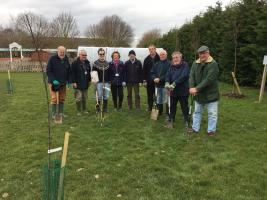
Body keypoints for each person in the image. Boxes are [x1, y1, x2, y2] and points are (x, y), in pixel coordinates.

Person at [189, 45, 220, 136]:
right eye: (200, 54)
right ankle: (195, 128)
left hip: (211, 94)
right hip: (199, 94)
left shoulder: (213, 64)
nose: (201, 55)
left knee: (212, 113)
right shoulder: (195, 63)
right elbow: (191, 76)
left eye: (203, 53)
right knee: (197, 112)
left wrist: (196, 88)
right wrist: (191, 87)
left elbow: (209, 79)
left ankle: (211, 130)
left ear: (208, 53)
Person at [165, 51, 189, 129]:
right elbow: (168, 75)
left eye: (177, 57)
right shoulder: (171, 66)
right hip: (173, 91)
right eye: (174, 58)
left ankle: (186, 120)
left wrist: (174, 83)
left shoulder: (185, 65)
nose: (175, 59)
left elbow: (184, 76)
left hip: (183, 90)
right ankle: (171, 120)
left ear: (180, 58)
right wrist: (167, 82)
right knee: (172, 106)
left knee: (184, 106)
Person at [46, 46, 71, 119]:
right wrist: (53, 80)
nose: (62, 53)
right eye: (61, 52)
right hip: (54, 83)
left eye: (64, 52)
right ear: (58, 51)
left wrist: (69, 81)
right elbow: (48, 71)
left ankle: (61, 113)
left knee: (62, 98)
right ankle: (54, 114)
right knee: (54, 98)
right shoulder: (52, 59)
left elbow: (69, 71)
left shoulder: (66, 59)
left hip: (63, 83)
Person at [150, 49, 171, 116]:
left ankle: (168, 114)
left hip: (166, 85)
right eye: (161, 54)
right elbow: (152, 72)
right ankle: (159, 112)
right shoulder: (157, 64)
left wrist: (160, 79)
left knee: (167, 100)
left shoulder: (169, 63)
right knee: (159, 99)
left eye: (163, 54)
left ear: (166, 55)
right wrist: (154, 78)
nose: (162, 56)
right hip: (158, 85)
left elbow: (169, 74)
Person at [71, 49, 91, 116]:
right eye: (83, 55)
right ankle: (79, 111)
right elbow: (72, 73)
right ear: (79, 55)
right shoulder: (75, 63)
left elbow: (89, 73)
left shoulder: (87, 63)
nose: (84, 56)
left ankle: (84, 109)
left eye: (85, 55)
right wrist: (74, 82)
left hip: (85, 83)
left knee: (84, 97)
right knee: (78, 98)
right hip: (77, 83)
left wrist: (89, 81)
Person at [92, 48, 111, 113]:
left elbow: (109, 73)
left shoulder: (107, 63)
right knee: (99, 96)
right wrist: (95, 82)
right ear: (98, 54)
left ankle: (105, 108)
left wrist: (109, 82)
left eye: (103, 54)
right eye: (100, 54)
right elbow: (93, 73)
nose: (102, 55)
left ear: (104, 54)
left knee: (106, 96)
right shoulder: (95, 63)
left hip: (106, 83)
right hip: (99, 83)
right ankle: (98, 108)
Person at [142, 44, 160, 111]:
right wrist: (144, 80)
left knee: (157, 95)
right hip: (149, 80)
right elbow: (144, 70)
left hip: (158, 80)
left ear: (155, 49)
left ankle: (158, 108)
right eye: (150, 49)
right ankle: (150, 107)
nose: (151, 50)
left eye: (152, 49)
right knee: (149, 95)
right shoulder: (146, 59)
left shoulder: (159, 58)